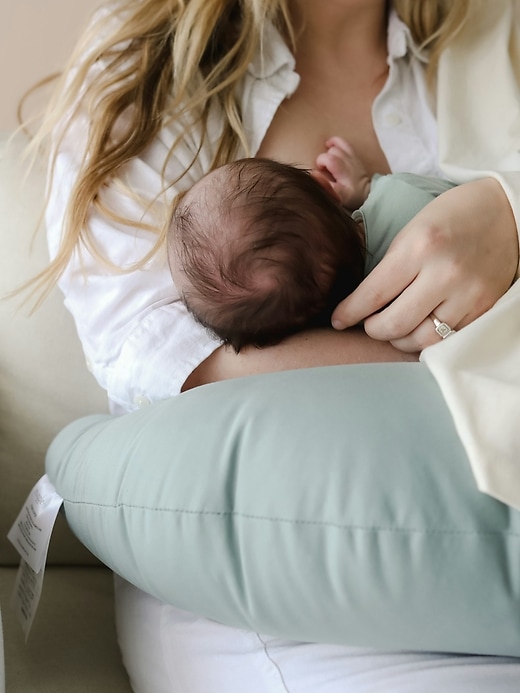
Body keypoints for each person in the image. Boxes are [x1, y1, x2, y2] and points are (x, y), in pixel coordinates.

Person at [30, 0, 520, 691]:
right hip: (285, 592)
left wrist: (508, 212)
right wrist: (457, 351)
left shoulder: (491, 35)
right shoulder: (145, 56)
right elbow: (159, 360)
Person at [167, 138, 455, 353]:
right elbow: (463, 194)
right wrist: (368, 188)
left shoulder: (372, 338)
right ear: (325, 186)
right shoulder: (405, 197)